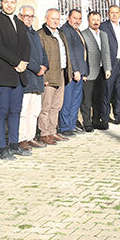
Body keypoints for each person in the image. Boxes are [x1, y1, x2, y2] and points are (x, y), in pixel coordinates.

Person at [0, 0, 30, 161]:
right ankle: (0, 147)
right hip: (5, 75)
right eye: (6, 2)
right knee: (1, 112)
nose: (9, 5)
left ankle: (14, 144)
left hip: (19, 75)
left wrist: (24, 62)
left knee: (16, 111)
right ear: (1, 3)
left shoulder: (19, 23)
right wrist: (16, 62)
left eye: (12, 2)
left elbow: (27, 45)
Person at [39, 8, 75, 144]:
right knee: (46, 106)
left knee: (57, 105)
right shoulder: (41, 34)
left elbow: (66, 54)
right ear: (46, 19)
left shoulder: (61, 33)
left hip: (62, 72)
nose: (55, 21)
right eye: (53, 18)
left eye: (58, 19)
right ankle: (44, 132)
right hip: (49, 74)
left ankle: (52, 131)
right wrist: (44, 77)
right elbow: (41, 56)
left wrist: (69, 72)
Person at [19, 6, 50, 147]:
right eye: (27, 16)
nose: (29, 19)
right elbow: (23, 54)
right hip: (27, 76)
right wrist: (37, 68)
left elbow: (42, 52)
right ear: (20, 16)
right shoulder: (19, 32)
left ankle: (31, 137)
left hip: (38, 78)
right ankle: (22, 138)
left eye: (32, 16)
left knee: (34, 111)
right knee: (23, 111)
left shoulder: (34, 33)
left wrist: (45, 65)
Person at [59, 9, 88, 136]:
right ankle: (65, 127)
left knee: (76, 100)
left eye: (79, 18)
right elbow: (69, 51)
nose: (77, 21)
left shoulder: (77, 31)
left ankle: (71, 124)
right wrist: (75, 70)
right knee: (68, 100)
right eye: (75, 18)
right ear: (68, 18)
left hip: (80, 71)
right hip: (72, 72)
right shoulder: (66, 30)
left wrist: (84, 71)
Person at [80, 11, 111, 130]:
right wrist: (83, 72)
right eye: (93, 20)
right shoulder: (84, 34)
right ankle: (87, 123)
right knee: (87, 100)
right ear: (88, 21)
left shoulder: (104, 34)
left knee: (99, 98)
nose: (96, 22)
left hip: (102, 71)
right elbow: (82, 54)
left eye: (97, 19)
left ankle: (97, 120)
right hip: (89, 72)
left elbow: (106, 52)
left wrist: (108, 68)